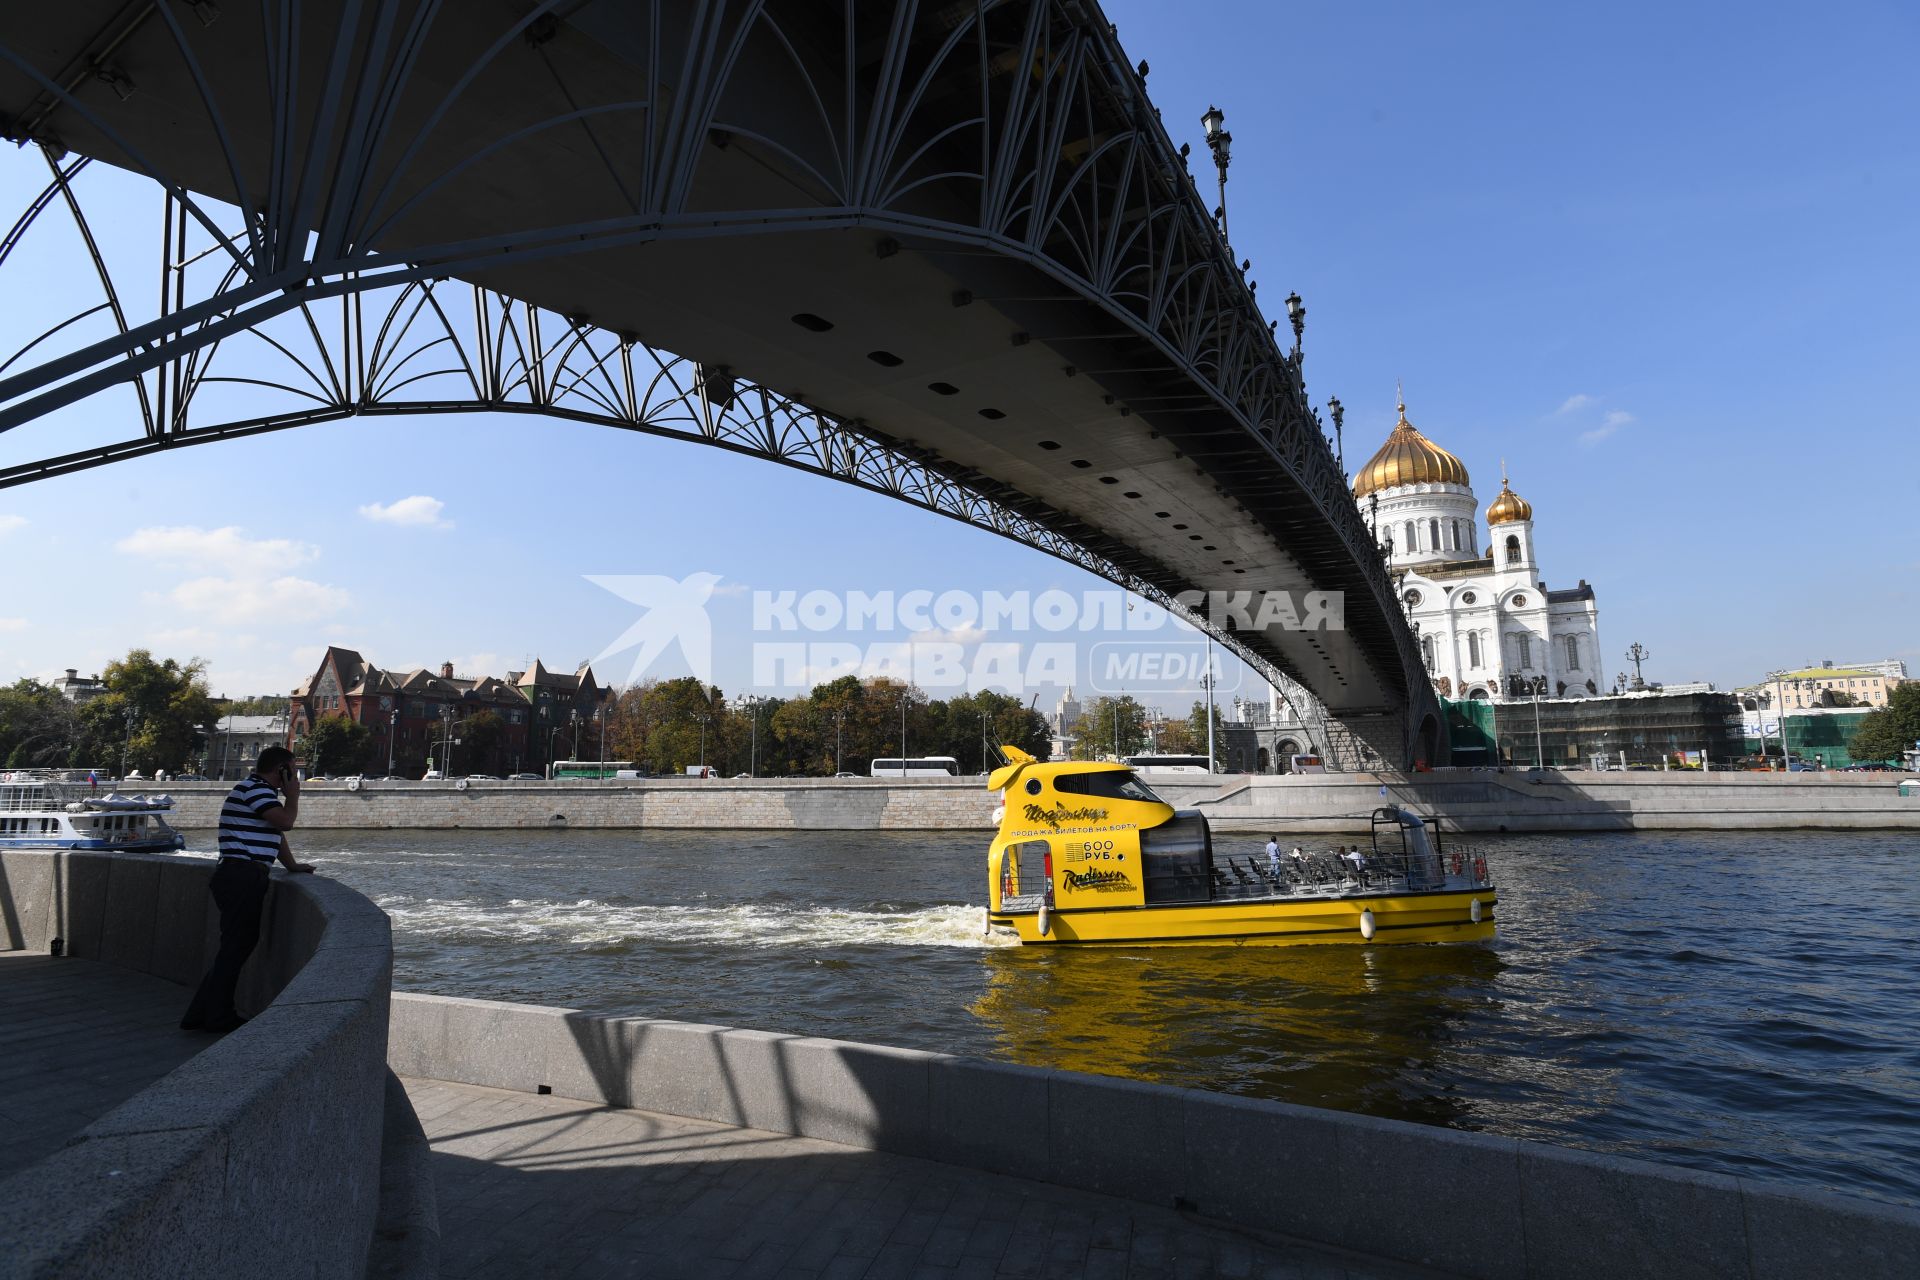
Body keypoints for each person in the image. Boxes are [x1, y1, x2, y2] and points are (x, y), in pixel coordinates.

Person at [181, 746, 314, 1033]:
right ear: (281, 769)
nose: (294, 776)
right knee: (236, 947)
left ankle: (200, 1013)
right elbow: (285, 823)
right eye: (291, 770)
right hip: (241, 875)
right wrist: (293, 796)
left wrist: (291, 865)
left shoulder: (258, 791)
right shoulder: (256, 789)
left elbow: (273, 834)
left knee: (234, 946)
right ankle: (217, 1016)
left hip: (243, 875)